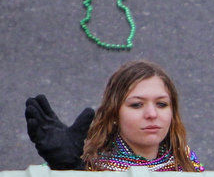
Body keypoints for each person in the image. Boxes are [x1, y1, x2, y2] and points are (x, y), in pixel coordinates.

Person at [25, 60, 204, 171]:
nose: (151, 114)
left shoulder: (187, 162)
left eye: (162, 104)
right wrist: (67, 170)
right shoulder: (89, 163)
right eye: (137, 105)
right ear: (115, 112)